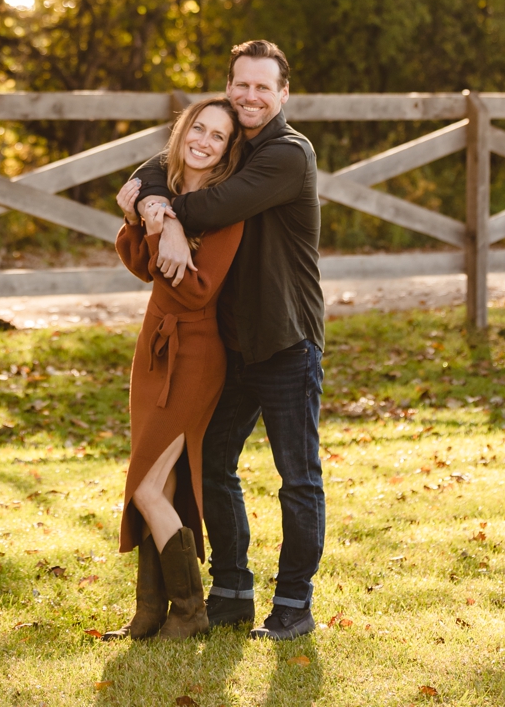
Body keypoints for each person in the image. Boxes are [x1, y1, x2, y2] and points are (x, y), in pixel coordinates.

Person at [118, 39, 324, 642]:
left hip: (285, 339)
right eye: (242, 84)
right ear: (230, 85)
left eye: (264, 87)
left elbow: (217, 201)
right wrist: (154, 198)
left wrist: (162, 214)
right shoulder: (232, 144)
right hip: (230, 341)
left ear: (283, 94)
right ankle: (230, 590)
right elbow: (162, 162)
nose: (251, 95)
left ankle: (294, 605)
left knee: (297, 477)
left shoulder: (287, 155)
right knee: (211, 463)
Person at [105, 96, 244, 642]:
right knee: (156, 481)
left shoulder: (223, 205)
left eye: (219, 137)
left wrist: (172, 234)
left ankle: (190, 610)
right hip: (154, 347)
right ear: (183, 130)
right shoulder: (164, 193)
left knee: (144, 486)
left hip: (196, 352)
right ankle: (149, 612)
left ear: (229, 150)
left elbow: (198, 291)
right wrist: (140, 216)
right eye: (199, 129)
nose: (205, 142)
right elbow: (143, 266)